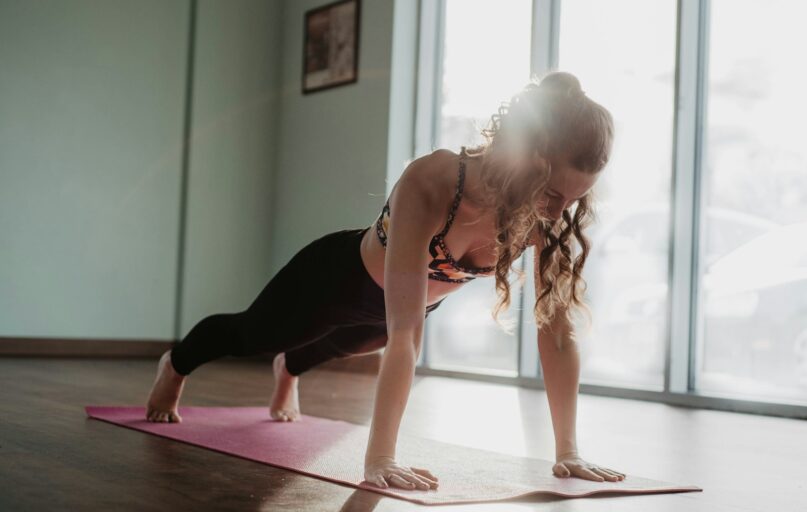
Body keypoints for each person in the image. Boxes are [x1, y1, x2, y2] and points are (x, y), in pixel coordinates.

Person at [145, 70, 626, 490]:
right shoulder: (434, 180)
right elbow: (407, 335)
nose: (559, 211)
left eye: (574, 200)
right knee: (254, 333)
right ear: (530, 156)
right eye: (555, 192)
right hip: (332, 280)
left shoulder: (544, 216)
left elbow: (558, 335)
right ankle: (176, 365)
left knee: (338, 347)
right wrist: (380, 459)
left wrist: (568, 452)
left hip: (388, 312)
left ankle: (288, 370)